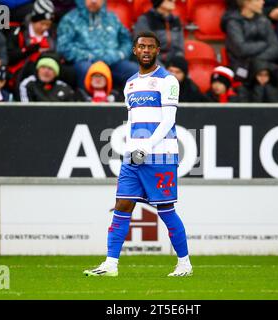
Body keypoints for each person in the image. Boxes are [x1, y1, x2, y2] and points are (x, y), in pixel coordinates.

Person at [83, 31, 193, 277]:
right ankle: (111, 264)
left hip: (161, 156)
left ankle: (184, 263)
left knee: (165, 209)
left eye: (150, 47)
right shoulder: (130, 83)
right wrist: (133, 148)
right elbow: (133, 120)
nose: (145, 50)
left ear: (157, 51)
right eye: (141, 46)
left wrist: (147, 146)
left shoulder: (168, 80)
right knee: (122, 204)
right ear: (134, 50)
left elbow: (168, 121)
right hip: (133, 157)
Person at [220, 0, 278, 98]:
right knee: (253, 75)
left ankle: (275, 104)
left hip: (264, 63)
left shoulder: (263, 20)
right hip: (242, 65)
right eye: (258, 0)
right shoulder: (233, 23)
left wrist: (259, 61)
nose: (263, 2)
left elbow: (275, 48)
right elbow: (241, 49)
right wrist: (264, 44)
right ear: (247, 3)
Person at [56, 0, 138, 90]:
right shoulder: (70, 19)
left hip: (113, 60)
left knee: (133, 70)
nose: (94, 1)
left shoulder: (112, 18)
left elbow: (126, 40)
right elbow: (63, 46)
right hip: (85, 61)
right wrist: (89, 56)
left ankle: (130, 102)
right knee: (88, 70)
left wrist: (119, 54)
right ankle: (88, 101)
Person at [7, 0, 56, 90]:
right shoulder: (19, 31)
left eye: (48, 24)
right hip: (22, 70)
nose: (44, 27)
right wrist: (29, 50)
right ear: (33, 20)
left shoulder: (52, 33)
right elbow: (10, 56)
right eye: (41, 23)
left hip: (47, 69)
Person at [133, 0, 185, 65]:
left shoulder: (176, 20)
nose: (174, 0)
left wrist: (177, 65)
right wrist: (162, 70)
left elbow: (179, 49)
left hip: (171, 63)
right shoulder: (145, 20)